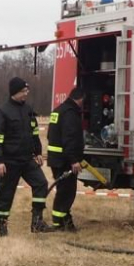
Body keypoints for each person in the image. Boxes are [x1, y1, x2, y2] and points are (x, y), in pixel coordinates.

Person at [0, 77, 53, 236]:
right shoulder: (2, 112)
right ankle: (2, 226)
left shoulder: (28, 110)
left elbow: (34, 133)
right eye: (23, 91)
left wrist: (38, 152)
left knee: (41, 184)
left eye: (27, 91)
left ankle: (37, 221)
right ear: (14, 92)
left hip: (27, 160)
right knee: (6, 193)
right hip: (9, 162)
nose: (26, 93)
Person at [46, 87, 85, 231]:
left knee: (63, 191)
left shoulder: (59, 110)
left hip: (56, 159)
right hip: (65, 161)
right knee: (67, 192)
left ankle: (64, 222)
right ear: (79, 99)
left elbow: (50, 135)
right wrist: (74, 160)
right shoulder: (70, 114)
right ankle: (59, 223)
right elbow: (70, 139)